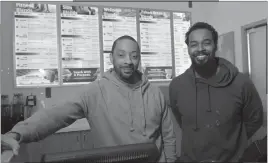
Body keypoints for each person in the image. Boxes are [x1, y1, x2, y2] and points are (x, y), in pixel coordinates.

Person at [2, 35, 176, 163]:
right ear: (111, 58)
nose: (128, 61)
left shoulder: (154, 93)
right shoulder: (95, 92)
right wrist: (16, 134)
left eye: (134, 56)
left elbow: (168, 136)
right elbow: (54, 116)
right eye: (121, 55)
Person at [169, 22, 263, 162]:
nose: (200, 49)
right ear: (188, 48)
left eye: (206, 43)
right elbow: (182, 120)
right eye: (194, 44)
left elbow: (255, 119)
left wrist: (232, 143)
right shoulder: (177, 86)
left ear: (215, 46)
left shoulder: (241, 83)